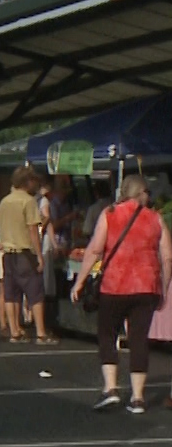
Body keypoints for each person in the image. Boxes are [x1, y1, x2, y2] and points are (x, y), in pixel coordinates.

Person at [71, 175, 172, 414]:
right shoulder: (156, 218)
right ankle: (137, 398)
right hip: (146, 287)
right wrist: (164, 289)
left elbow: (95, 249)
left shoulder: (110, 214)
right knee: (139, 339)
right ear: (142, 193)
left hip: (114, 285)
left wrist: (80, 281)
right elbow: (167, 257)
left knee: (107, 334)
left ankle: (111, 388)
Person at [0, 167, 55, 344]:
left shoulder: (5, 201)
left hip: (7, 253)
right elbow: (33, 229)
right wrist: (39, 255)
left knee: (11, 293)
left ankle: (14, 332)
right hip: (25, 253)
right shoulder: (28, 201)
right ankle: (41, 333)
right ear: (28, 182)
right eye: (34, 181)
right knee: (35, 293)